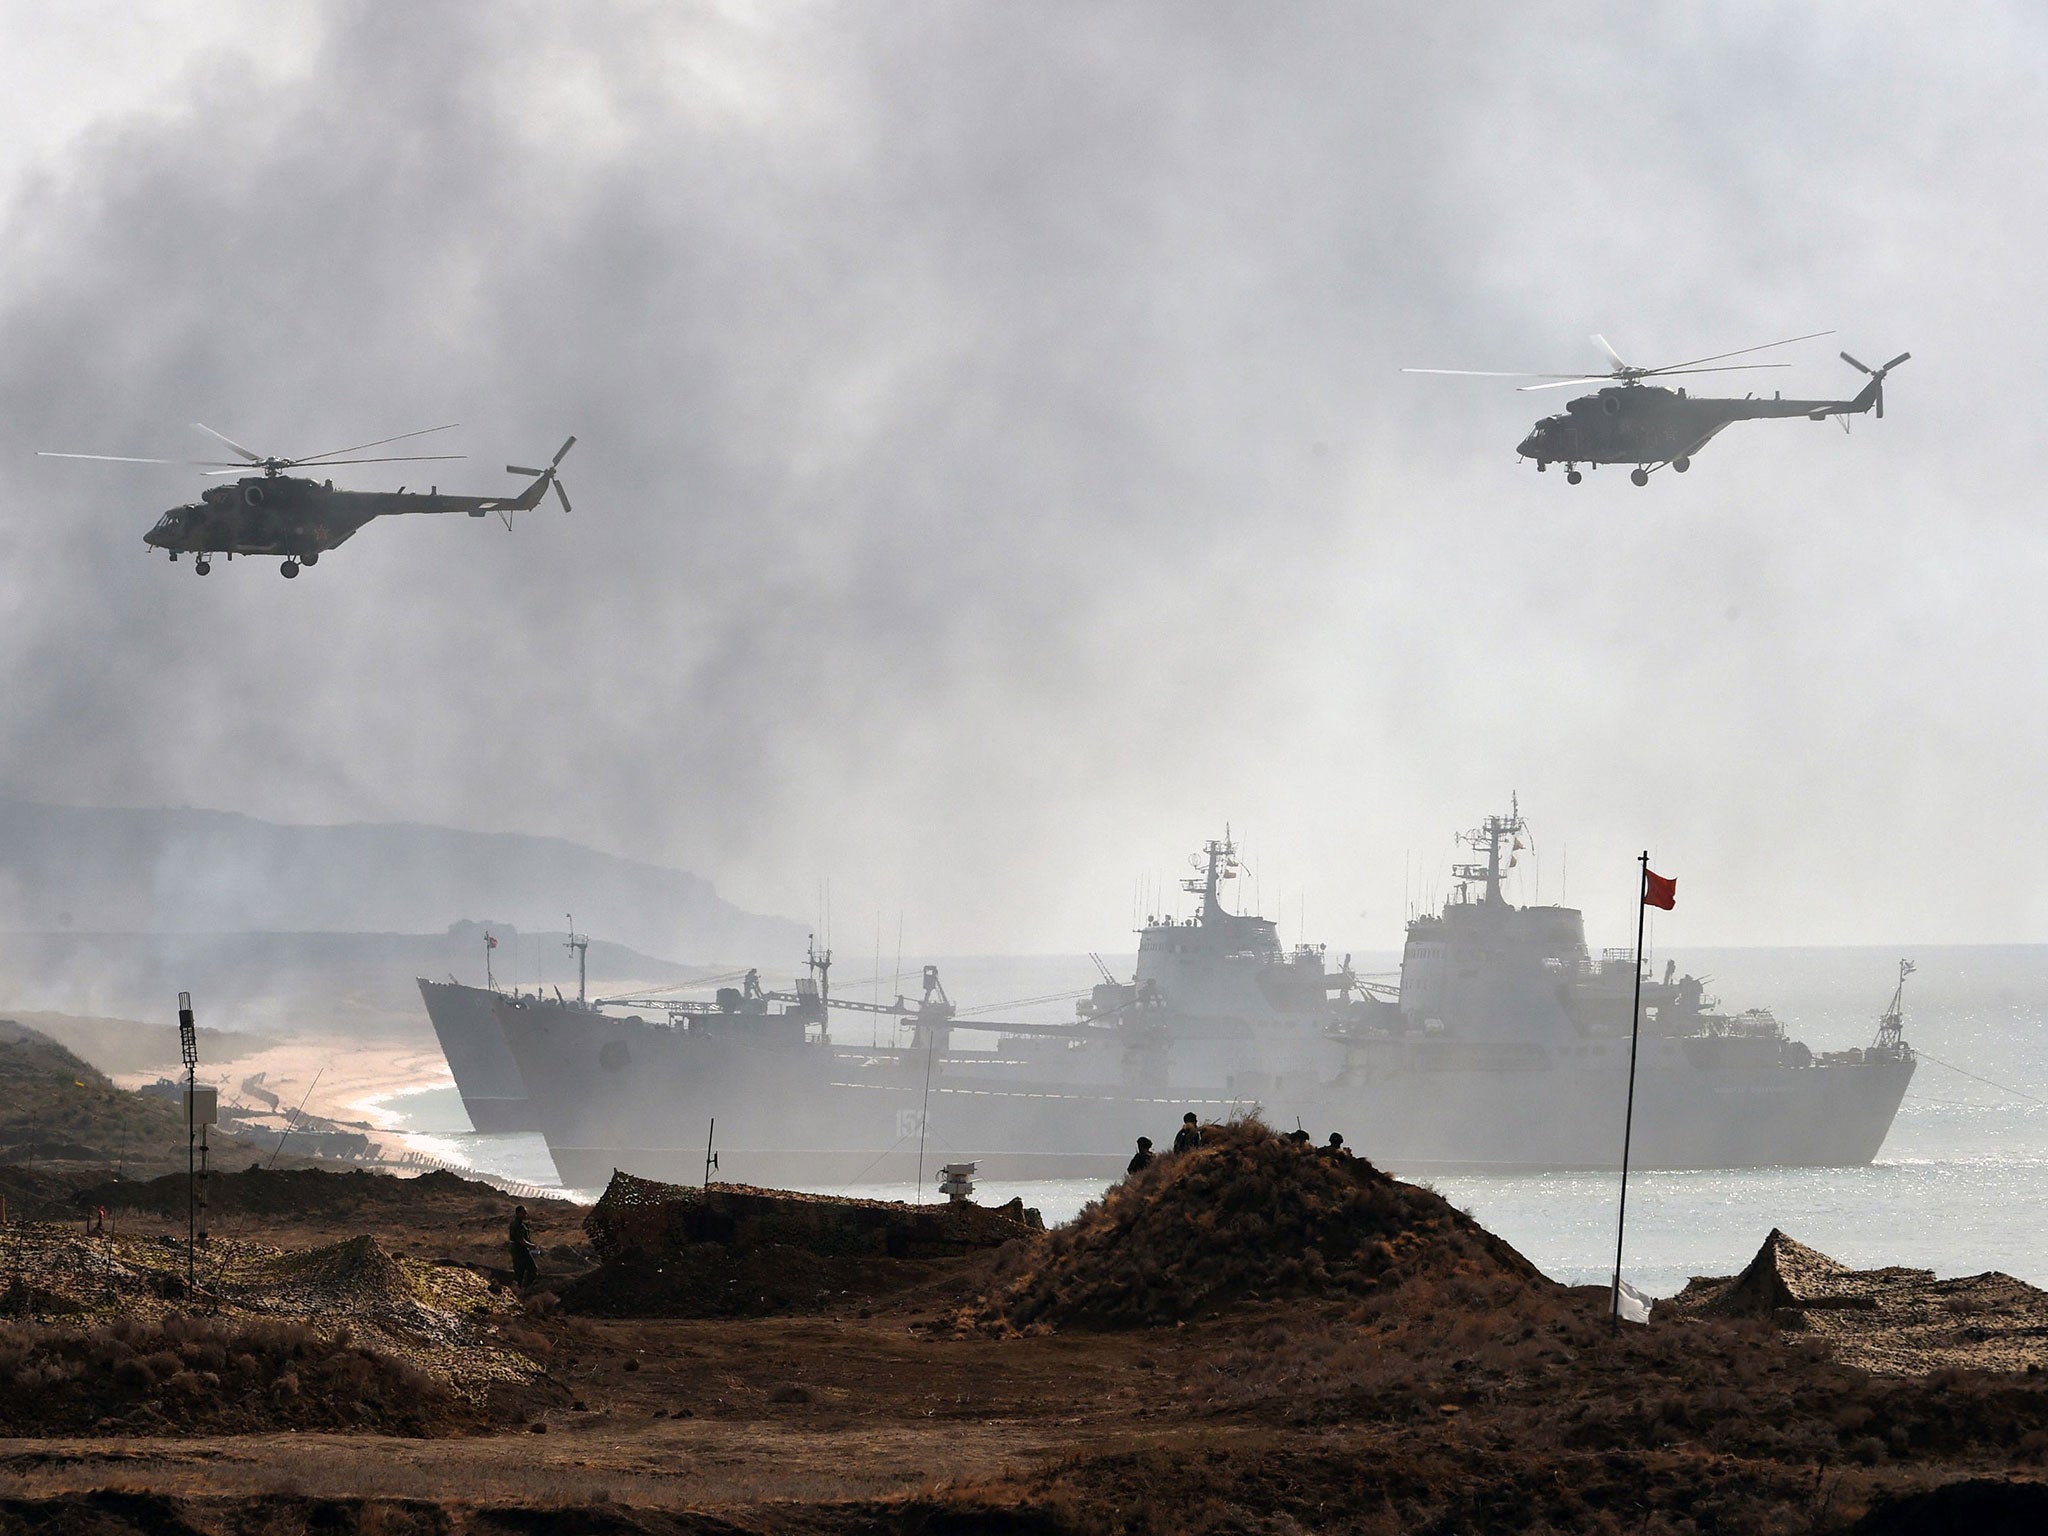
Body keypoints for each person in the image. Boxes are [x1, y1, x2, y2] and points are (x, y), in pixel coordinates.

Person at [509, 1205, 540, 1288]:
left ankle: (519, 1288)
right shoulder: (517, 1225)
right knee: (531, 1270)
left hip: (519, 1249)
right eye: (524, 1212)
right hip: (519, 1250)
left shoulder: (519, 1224)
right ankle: (524, 1289)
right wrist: (531, 1246)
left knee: (520, 1270)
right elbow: (520, 1240)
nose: (526, 1214)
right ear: (518, 1213)